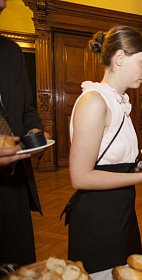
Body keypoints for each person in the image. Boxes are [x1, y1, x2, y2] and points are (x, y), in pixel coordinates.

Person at [66, 25, 142, 273]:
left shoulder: (118, 102)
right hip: (98, 217)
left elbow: (116, 160)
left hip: (120, 212)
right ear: (120, 58)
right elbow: (80, 177)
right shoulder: (94, 101)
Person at [0, 0, 47, 266]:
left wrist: (34, 128)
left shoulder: (12, 52)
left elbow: (27, 108)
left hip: (14, 184)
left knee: (19, 268)